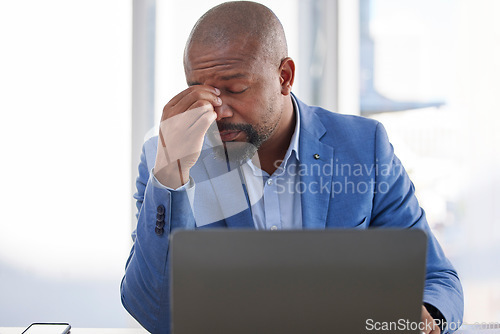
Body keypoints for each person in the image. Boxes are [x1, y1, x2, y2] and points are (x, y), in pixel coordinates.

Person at [120, 2, 464, 333]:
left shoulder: (364, 146)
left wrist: (424, 316)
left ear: (285, 76)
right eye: (202, 92)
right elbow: (155, 313)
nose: (218, 111)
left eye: (235, 88)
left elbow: (436, 280)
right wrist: (170, 175)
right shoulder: (166, 159)